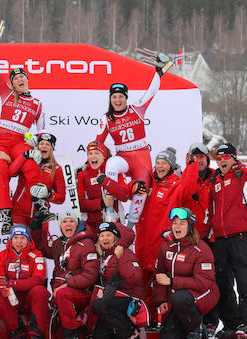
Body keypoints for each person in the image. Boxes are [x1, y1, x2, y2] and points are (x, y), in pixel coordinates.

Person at [0, 35, 52, 235]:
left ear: (27, 79)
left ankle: (40, 205)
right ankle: (4, 214)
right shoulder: (7, 94)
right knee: (0, 168)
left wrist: (40, 148)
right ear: (12, 84)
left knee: (31, 164)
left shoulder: (37, 104)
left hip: (20, 142)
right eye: (15, 78)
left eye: (22, 76)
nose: (19, 79)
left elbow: (41, 132)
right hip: (0, 142)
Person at [96, 60, 170, 228]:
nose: (117, 100)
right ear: (110, 98)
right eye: (114, 97)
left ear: (126, 97)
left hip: (142, 159)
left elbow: (151, 91)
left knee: (141, 190)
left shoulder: (137, 109)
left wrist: (159, 73)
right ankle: (110, 210)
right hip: (123, 157)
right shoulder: (107, 118)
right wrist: (92, 158)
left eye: (121, 96)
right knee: (111, 165)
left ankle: (130, 227)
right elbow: (98, 143)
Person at [205, 143, 247, 338]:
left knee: (245, 283)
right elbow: (209, 213)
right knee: (222, 284)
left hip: (242, 238)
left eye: (226, 157)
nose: (222, 160)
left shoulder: (245, 176)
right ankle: (231, 324)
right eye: (219, 157)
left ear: (234, 158)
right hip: (220, 240)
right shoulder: (214, 183)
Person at [153, 207, 219, 338]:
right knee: (167, 335)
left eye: (182, 223)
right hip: (176, 299)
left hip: (204, 294)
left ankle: (197, 330)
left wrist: (172, 281)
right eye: (174, 223)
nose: (177, 226)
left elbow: (203, 283)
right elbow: (159, 274)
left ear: (189, 226)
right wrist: (161, 301)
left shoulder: (201, 250)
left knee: (180, 298)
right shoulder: (166, 246)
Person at [31, 212, 99, 338]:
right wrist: (36, 228)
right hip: (60, 295)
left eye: (71, 221)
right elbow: (40, 248)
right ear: (60, 226)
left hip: (81, 293)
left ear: (77, 224)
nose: (68, 224)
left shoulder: (86, 243)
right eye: (64, 221)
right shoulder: (59, 243)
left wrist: (67, 284)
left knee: (63, 294)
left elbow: (91, 276)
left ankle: (72, 335)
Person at [0, 225, 50, 339]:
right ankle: (17, 333)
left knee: (40, 291)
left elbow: (38, 279)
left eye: (23, 238)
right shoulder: (3, 255)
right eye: (16, 238)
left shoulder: (36, 255)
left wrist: (14, 284)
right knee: (0, 299)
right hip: (12, 299)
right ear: (11, 239)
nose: (19, 242)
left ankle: (37, 334)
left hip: (30, 299)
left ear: (28, 240)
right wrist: (3, 286)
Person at [91, 222, 144, 339]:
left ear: (115, 237)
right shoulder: (104, 255)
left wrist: (120, 257)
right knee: (99, 334)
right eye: (102, 235)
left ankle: (130, 334)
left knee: (99, 305)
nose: (105, 238)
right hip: (112, 298)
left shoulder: (124, 252)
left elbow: (134, 277)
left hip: (129, 297)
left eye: (108, 235)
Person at [10, 133, 65, 227]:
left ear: (52, 148)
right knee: (19, 241)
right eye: (41, 143)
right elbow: (12, 172)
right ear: (37, 146)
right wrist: (24, 156)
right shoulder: (28, 161)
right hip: (19, 213)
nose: (44, 146)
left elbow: (61, 198)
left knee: (40, 242)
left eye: (47, 144)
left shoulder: (57, 169)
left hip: (41, 216)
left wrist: (48, 194)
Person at [77, 140, 131, 233]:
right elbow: (79, 204)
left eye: (97, 153)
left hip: (114, 225)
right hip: (91, 227)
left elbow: (124, 196)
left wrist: (106, 181)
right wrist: (101, 203)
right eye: (90, 153)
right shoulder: (83, 175)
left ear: (104, 156)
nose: (93, 156)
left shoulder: (115, 172)